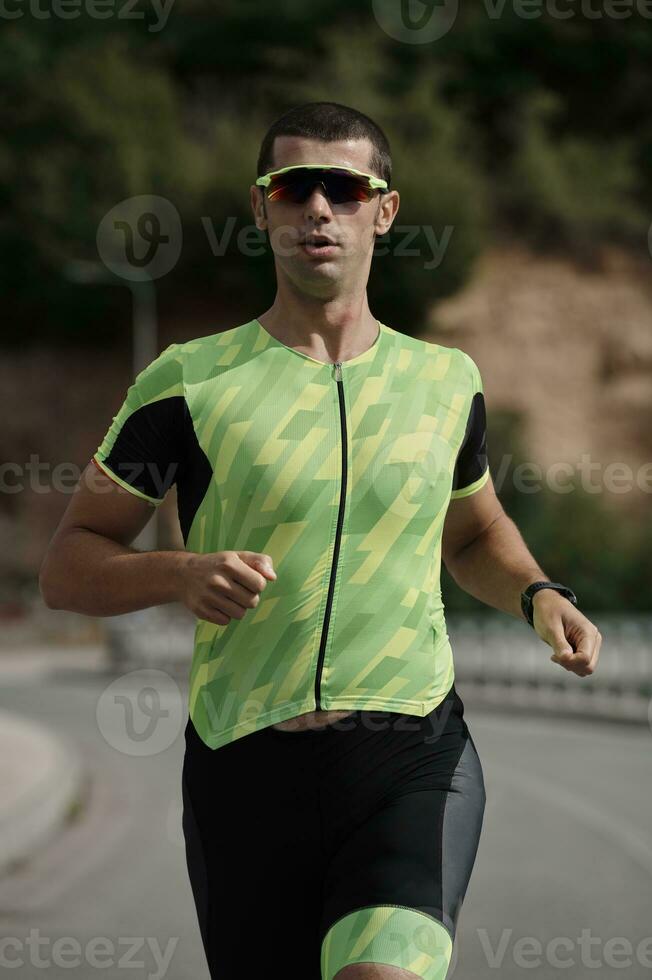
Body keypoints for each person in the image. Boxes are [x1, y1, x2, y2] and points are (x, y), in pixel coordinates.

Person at [39, 102, 602, 980]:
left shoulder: (446, 382)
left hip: (410, 752)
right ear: (260, 208)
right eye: (292, 187)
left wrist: (539, 592)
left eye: (343, 188)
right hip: (243, 767)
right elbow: (70, 565)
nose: (318, 209)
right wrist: (177, 572)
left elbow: (476, 528)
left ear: (384, 210)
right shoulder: (189, 380)